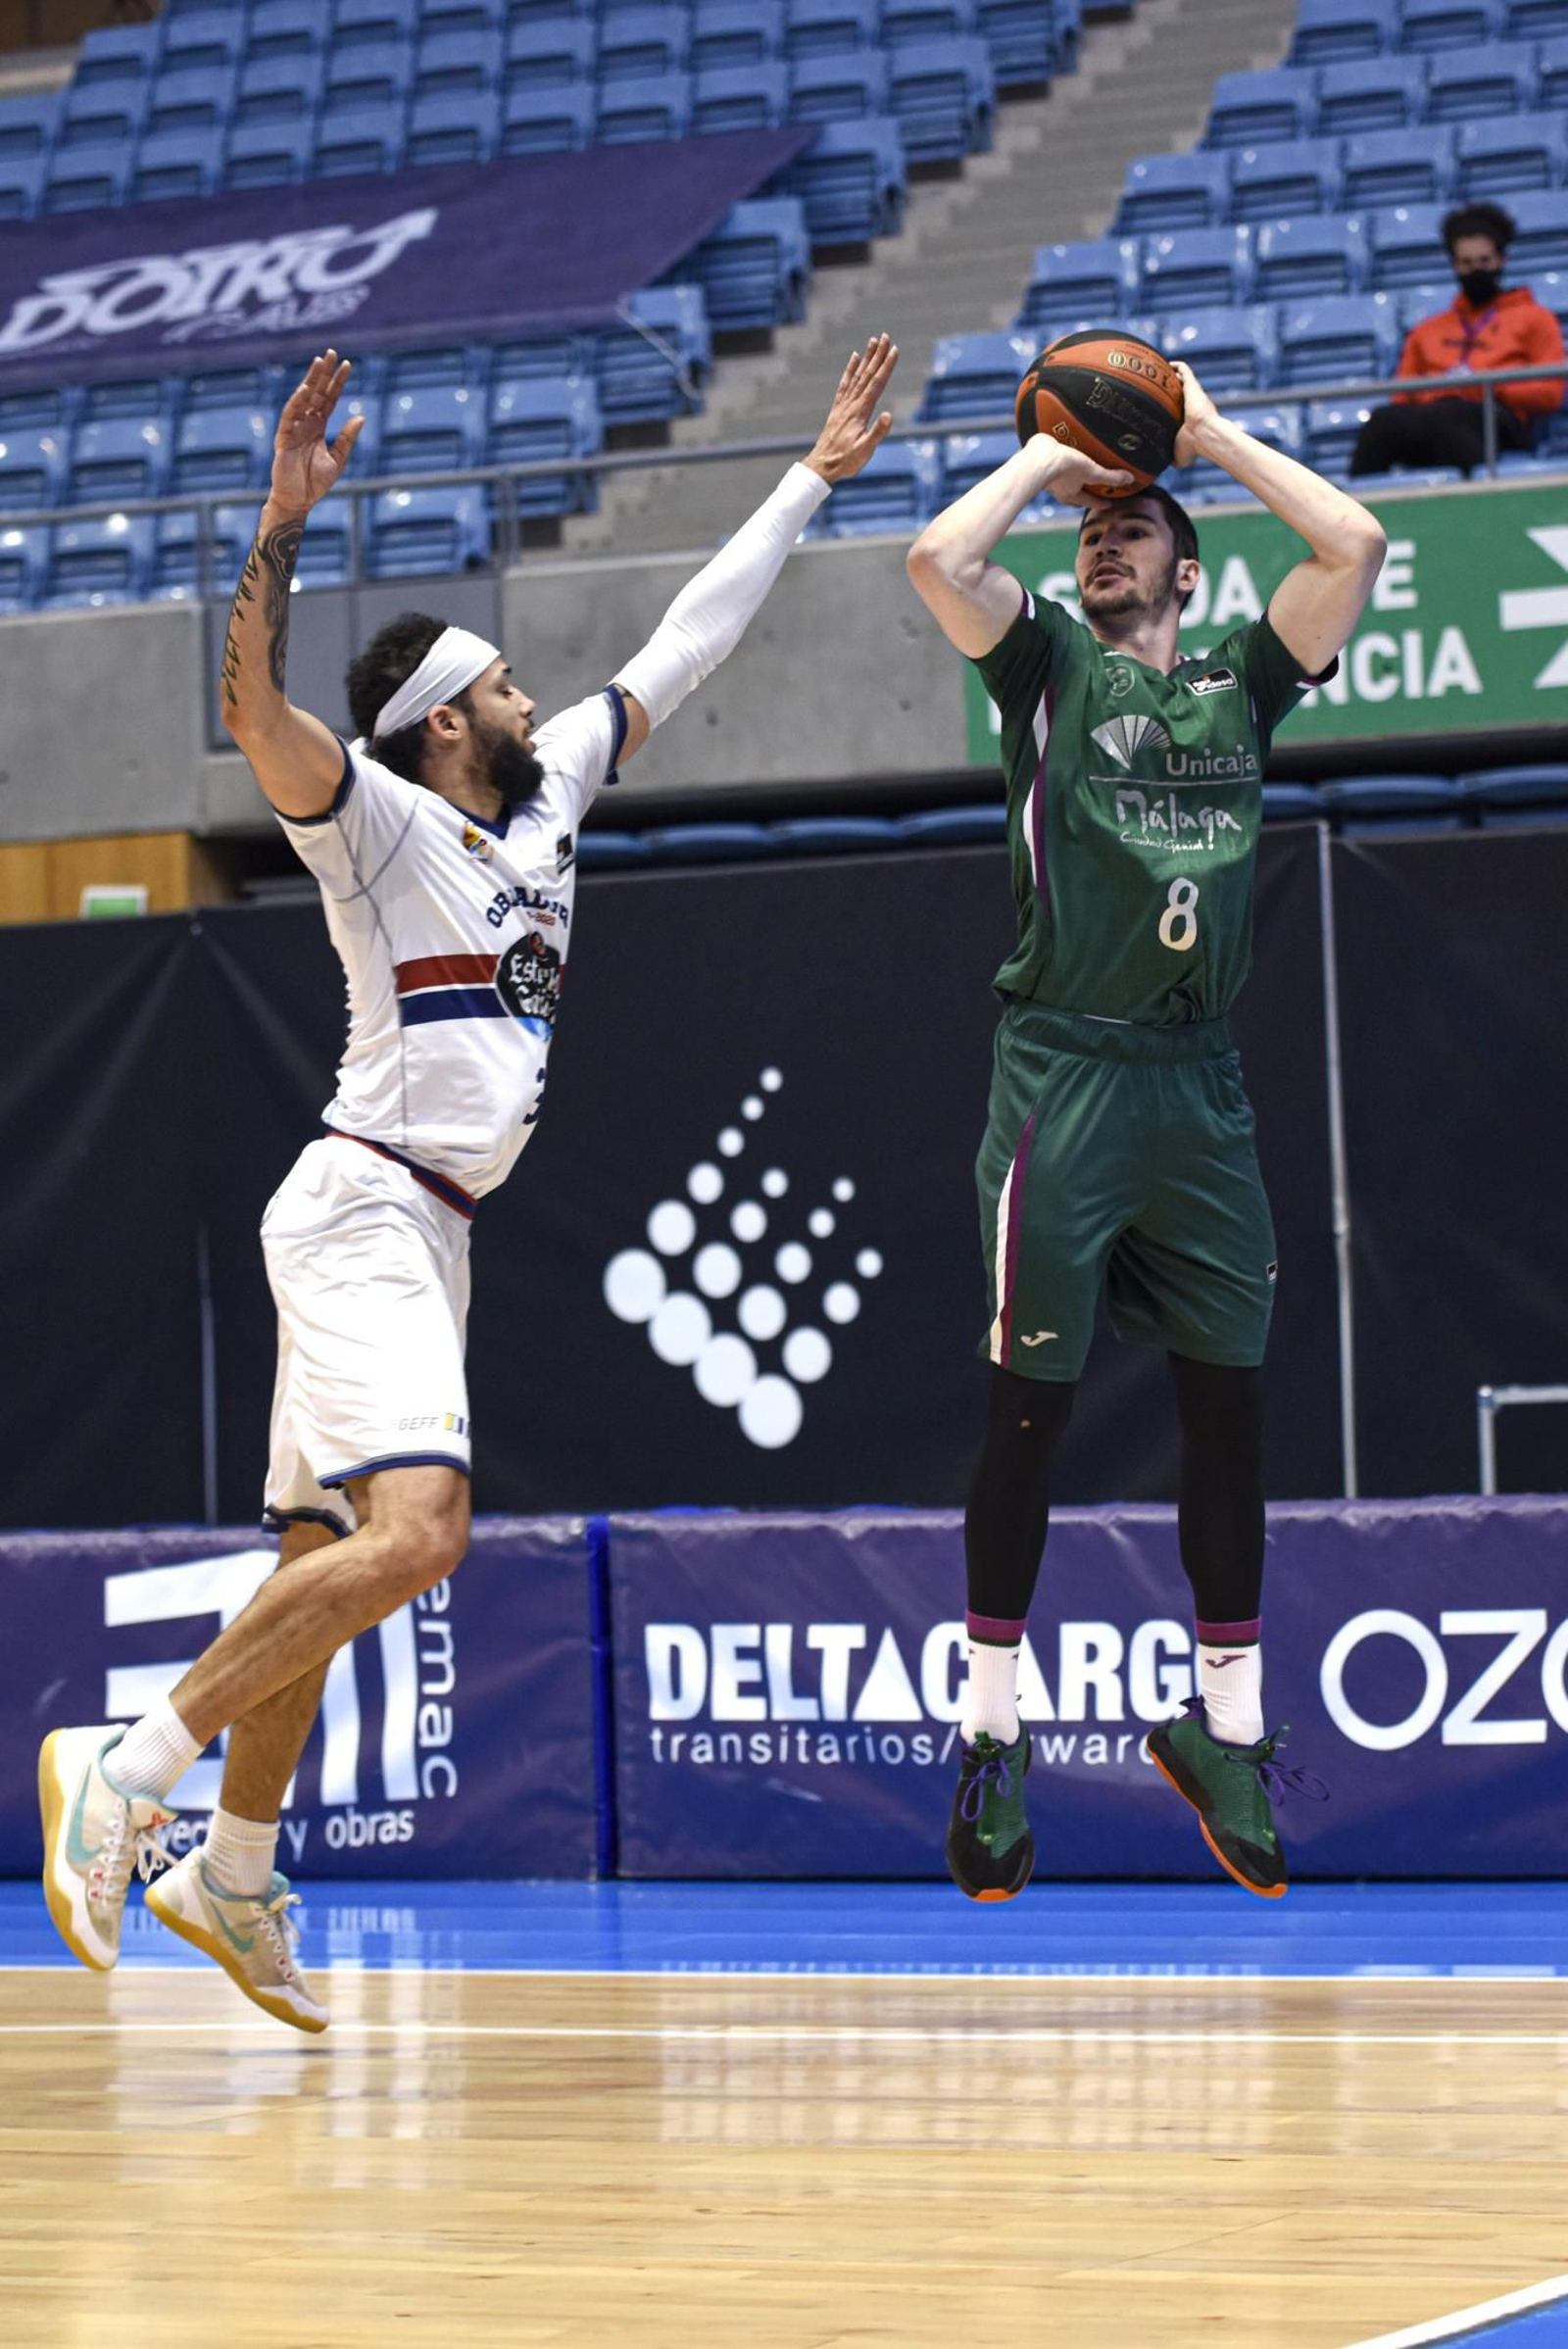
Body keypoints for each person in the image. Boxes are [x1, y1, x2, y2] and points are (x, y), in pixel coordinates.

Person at [38, 333, 900, 2031]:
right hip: (365, 1200)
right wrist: (282, 519)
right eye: (504, 684)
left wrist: (811, 476)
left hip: (428, 1227)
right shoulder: (372, 818)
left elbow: (687, 642)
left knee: (319, 1564)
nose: (531, 696)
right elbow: (250, 713)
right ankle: (125, 1770)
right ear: (446, 721)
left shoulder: (552, 786)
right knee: (422, 1535)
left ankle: (233, 1869)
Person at [906, 363, 1385, 1904]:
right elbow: (938, 559)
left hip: (1200, 1085)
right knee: (1028, 1415)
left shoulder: (1244, 682)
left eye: (1135, 529)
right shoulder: (1046, 664)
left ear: (1190, 571)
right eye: (1090, 532)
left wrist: (1206, 434)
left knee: (1227, 1411)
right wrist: (1051, 452)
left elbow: (1356, 545)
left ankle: (1226, 1731)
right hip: (1067, 1072)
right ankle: (992, 1736)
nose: (1103, 542)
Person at [1350, 201, 1565, 478]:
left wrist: (1489, 386)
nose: (1476, 270)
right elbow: (1402, 395)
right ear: (1454, 265)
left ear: (1501, 260)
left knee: (1452, 420)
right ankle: (1348, 503)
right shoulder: (1427, 330)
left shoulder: (1535, 318)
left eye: (1484, 261)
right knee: (1381, 422)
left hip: (1497, 419)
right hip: (1434, 418)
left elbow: (1551, 392)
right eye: (1466, 263)